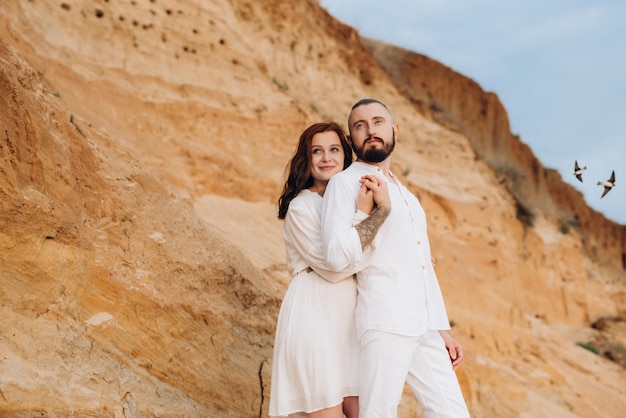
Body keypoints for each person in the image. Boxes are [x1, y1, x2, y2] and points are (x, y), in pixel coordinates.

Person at [321, 99, 470, 417]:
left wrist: (440, 328)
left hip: (424, 325)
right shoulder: (343, 184)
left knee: (452, 413)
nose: (370, 130)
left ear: (394, 130)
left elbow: (422, 265)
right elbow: (335, 256)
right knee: (379, 413)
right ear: (351, 140)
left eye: (377, 122)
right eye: (360, 126)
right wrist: (377, 213)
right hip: (384, 319)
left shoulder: (408, 196)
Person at [269, 122, 391, 418]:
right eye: (317, 151)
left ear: (345, 156)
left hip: (349, 327)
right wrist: (371, 215)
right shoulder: (302, 207)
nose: (327, 158)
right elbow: (334, 268)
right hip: (313, 318)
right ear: (306, 159)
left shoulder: (351, 197)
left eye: (335, 149)